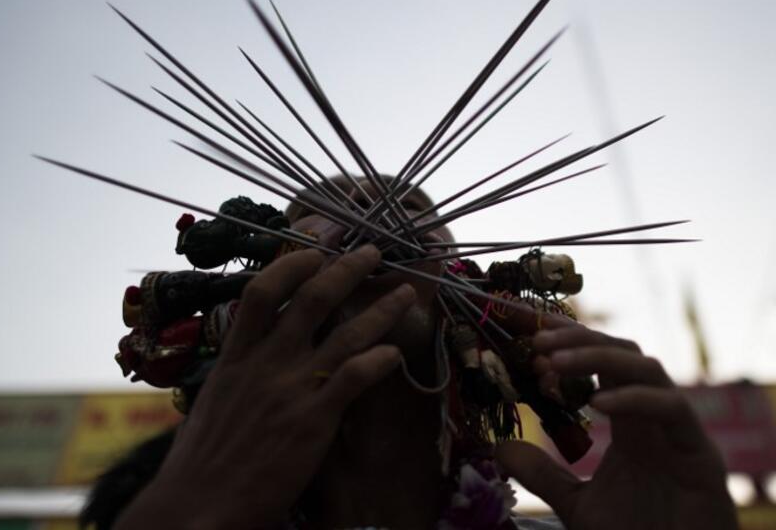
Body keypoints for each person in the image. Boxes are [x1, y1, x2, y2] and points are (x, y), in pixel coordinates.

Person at [92, 177, 736, 529]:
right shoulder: (179, 512)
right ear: (264, 275)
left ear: (470, 285)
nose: (377, 208)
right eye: (332, 206)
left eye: (412, 206)